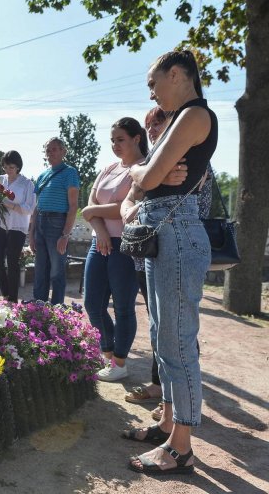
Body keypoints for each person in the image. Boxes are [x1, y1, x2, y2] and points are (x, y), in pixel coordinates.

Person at [121, 50, 218, 475]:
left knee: (178, 342)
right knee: (163, 337)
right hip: (162, 232)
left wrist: (144, 173)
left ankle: (181, 448)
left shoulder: (195, 116)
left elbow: (146, 177)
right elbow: (144, 176)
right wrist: (145, 173)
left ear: (177, 74)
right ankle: (165, 423)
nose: (152, 92)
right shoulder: (178, 120)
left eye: (153, 82)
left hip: (176, 231)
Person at [123, 106, 213, 421]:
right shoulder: (153, 162)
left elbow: (197, 206)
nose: (152, 129)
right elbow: (131, 198)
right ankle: (167, 405)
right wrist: (141, 183)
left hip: (176, 244)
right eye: (148, 124)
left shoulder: (191, 159)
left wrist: (144, 178)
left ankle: (178, 424)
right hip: (149, 251)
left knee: (178, 336)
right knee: (161, 331)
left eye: (158, 122)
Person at [82, 118, 146, 382]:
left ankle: (119, 362)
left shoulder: (144, 169)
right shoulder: (109, 167)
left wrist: (92, 212)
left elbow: (125, 207)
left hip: (127, 245)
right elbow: (91, 200)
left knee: (122, 307)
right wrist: (100, 230)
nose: (115, 145)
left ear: (136, 139)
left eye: (120, 139)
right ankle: (108, 354)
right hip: (101, 242)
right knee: (92, 304)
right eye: (112, 140)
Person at [28, 137, 80, 305]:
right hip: (41, 223)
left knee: (57, 270)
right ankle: (39, 306)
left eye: (54, 149)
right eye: (48, 150)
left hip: (57, 224)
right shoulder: (42, 175)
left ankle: (57, 309)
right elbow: (37, 206)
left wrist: (65, 234)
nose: (51, 153)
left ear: (63, 151)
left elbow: (73, 206)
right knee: (40, 268)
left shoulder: (70, 172)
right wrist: (31, 232)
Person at [0, 150, 36, 303]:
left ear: (18, 167)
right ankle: (5, 294)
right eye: (5, 166)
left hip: (17, 226)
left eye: (11, 167)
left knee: (12, 261)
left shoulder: (27, 183)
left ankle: (13, 299)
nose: (8, 170)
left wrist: (10, 205)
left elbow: (30, 207)